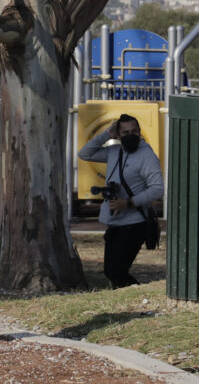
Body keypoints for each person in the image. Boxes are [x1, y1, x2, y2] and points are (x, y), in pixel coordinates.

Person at [77, 113, 164, 288]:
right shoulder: (115, 152)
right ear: (118, 134)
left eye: (134, 131)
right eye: (125, 132)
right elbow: (84, 153)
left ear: (140, 132)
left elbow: (157, 189)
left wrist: (128, 203)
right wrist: (106, 134)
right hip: (115, 221)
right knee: (111, 271)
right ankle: (131, 296)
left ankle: (137, 295)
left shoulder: (147, 156)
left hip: (135, 222)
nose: (130, 135)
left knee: (116, 271)